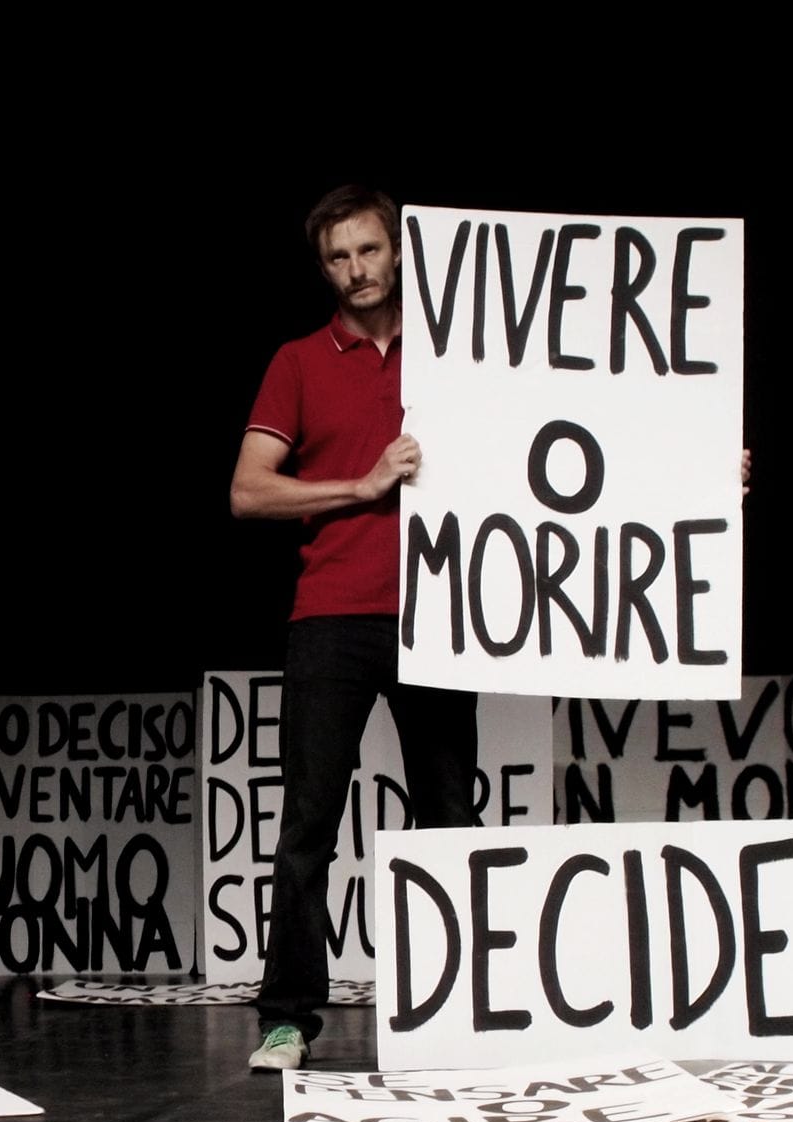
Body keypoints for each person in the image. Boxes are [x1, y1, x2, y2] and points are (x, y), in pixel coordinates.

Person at [229, 185, 479, 1071]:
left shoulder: (454, 355)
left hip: (441, 616)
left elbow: (563, 437)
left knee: (451, 819)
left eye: (369, 250)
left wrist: (695, 472)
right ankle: (288, 1018)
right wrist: (363, 485)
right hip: (331, 616)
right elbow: (248, 490)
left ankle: (462, 1011)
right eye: (338, 257)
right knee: (309, 824)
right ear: (324, 267)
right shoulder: (299, 360)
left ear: (398, 252)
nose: (356, 269)